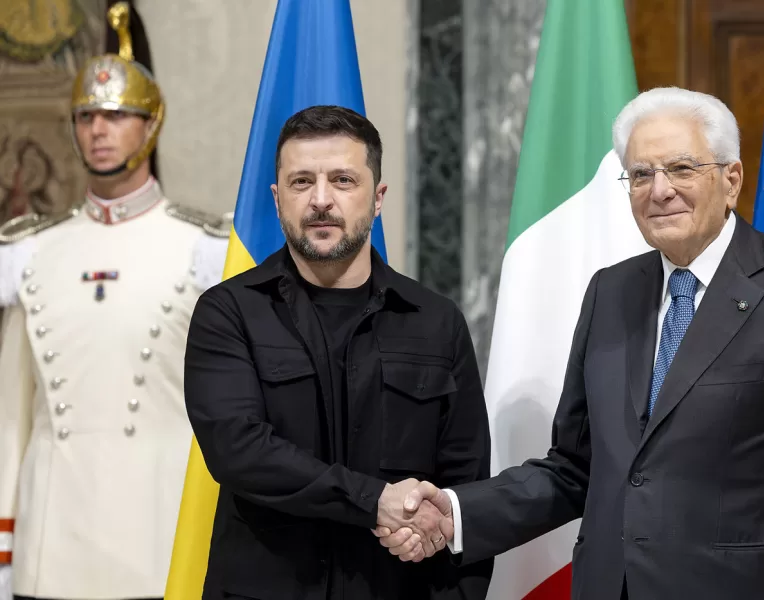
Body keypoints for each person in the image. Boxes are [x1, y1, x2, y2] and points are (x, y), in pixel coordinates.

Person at [378, 87, 764, 600]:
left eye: (681, 168)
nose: (659, 190)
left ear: (731, 179)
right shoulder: (610, 291)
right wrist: (455, 514)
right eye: (641, 174)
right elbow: (574, 466)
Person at [183, 104, 493, 600]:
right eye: (301, 182)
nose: (321, 200)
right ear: (277, 198)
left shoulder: (436, 321)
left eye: (344, 180)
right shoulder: (228, 313)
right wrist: (375, 503)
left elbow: (466, 484)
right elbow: (239, 452)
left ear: (377, 198)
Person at [0, 3, 229, 599]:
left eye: (118, 114)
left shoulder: (206, 249)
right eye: (86, 116)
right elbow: (10, 415)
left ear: (151, 124)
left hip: (160, 543)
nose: (99, 131)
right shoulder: (28, 252)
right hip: (50, 550)